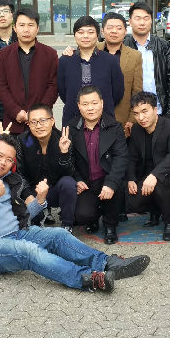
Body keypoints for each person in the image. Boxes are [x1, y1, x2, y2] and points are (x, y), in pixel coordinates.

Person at [0, 133, 150, 292]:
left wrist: (40, 200)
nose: (3, 162)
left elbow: (20, 218)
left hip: (16, 233)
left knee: (59, 234)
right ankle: (88, 279)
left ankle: (107, 263)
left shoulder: (7, 179)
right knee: (29, 251)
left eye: (9, 160)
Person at [68, 86, 128, 244]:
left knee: (117, 187)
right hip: (86, 182)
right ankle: (93, 217)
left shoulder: (115, 127)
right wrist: (77, 179)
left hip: (107, 178)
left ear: (102, 103)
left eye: (94, 103)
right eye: (85, 104)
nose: (90, 108)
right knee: (82, 215)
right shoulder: (71, 128)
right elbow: (69, 159)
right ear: (79, 106)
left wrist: (111, 183)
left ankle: (110, 225)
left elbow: (121, 157)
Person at [127, 92, 170, 241]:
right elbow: (131, 157)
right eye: (136, 113)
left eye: (144, 111)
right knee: (131, 202)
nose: (141, 117)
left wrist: (154, 175)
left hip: (168, 175)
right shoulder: (136, 129)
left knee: (159, 184)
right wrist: (131, 178)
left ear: (155, 109)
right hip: (145, 175)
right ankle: (154, 211)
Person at [0, 7, 59, 134]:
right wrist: (16, 111)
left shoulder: (50, 54)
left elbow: (53, 86)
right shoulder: (4, 54)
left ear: (37, 28)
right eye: (22, 25)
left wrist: (38, 113)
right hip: (13, 123)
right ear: (15, 28)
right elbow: (1, 86)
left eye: (30, 25)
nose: (26, 29)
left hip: (42, 123)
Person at [16, 104, 77, 230]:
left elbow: (69, 173)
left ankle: (67, 225)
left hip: (55, 189)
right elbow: (20, 173)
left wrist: (64, 153)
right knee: (31, 223)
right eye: (33, 122)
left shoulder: (63, 139)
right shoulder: (23, 140)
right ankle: (37, 221)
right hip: (34, 191)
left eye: (43, 120)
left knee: (68, 182)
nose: (38, 126)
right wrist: (27, 195)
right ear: (28, 124)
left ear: (52, 121)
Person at [58, 15, 124, 125]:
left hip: (104, 119)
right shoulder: (65, 61)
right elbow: (63, 93)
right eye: (80, 32)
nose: (85, 36)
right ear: (75, 35)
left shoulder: (110, 61)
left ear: (97, 35)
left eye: (90, 32)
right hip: (73, 119)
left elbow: (117, 92)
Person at [124, 2, 170, 118]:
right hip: (132, 114)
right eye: (138, 18)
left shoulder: (163, 46)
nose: (142, 22)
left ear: (151, 20)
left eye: (146, 18)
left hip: (159, 111)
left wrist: (169, 112)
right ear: (130, 21)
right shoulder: (123, 46)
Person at [97, 12, 142, 136]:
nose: (114, 31)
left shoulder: (135, 56)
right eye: (110, 27)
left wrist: (132, 119)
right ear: (102, 31)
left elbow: (137, 91)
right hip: (93, 118)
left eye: (119, 28)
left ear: (125, 31)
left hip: (122, 120)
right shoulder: (92, 49)